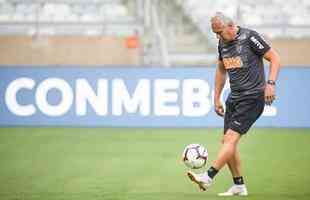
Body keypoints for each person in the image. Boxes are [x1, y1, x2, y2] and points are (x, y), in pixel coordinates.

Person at [186, 12, 281, 196]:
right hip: (234, 98)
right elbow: (221, 70)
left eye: (219, 32)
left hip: (252, 98)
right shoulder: (222, 43)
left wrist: (270, 84)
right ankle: (239, 186)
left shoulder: (250, 37)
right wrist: (216, 97)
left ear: (230, 26)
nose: (217, 36)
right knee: (227, 142)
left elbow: (275, 58)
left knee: (229, 140)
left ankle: (208, 177)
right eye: (215, 33)